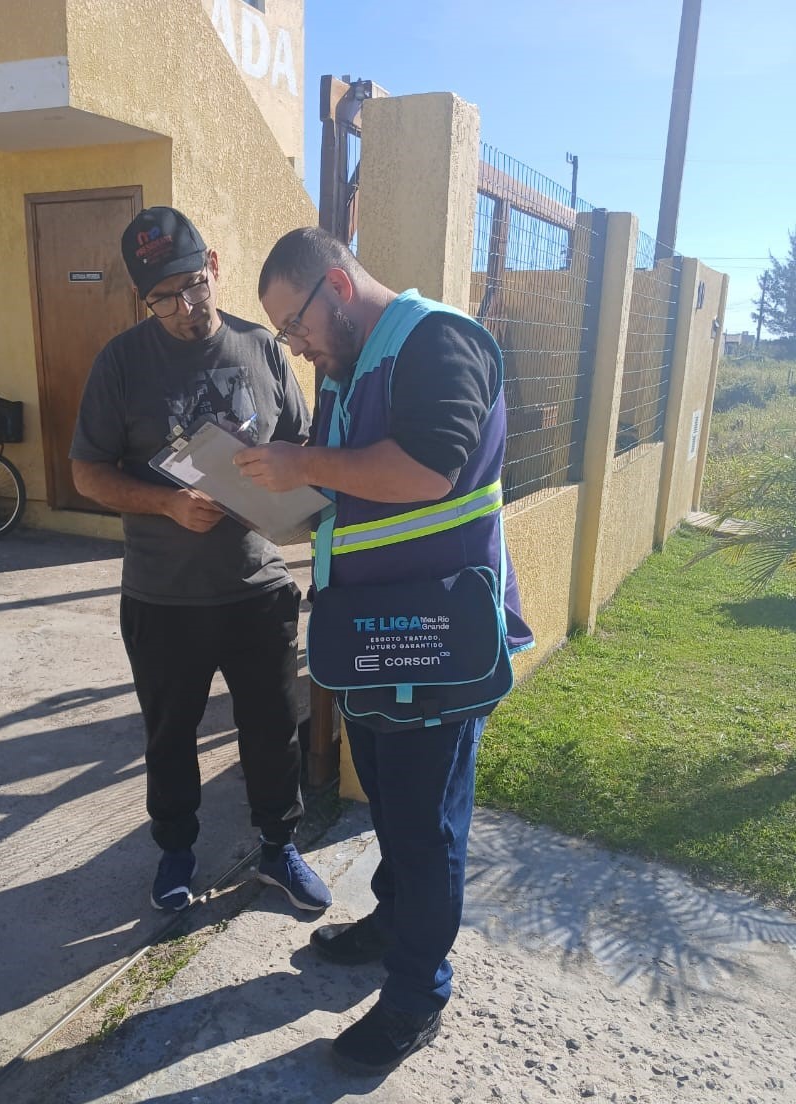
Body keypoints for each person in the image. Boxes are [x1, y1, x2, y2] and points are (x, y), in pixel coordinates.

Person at [235, 227, 533, 1076]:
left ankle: (414, 998)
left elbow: (428, 471)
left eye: (297, 326)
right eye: (288, 338)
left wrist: (304, 465)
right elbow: (345, 484)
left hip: (437, 638)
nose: (298, 347)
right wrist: (272, 485)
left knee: (425, 823)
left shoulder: (441, 340)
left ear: (336, 284)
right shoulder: (352, 366)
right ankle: (394, 924)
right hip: (375, 639)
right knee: (395, 807)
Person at [69, 207, 331, 916]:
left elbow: (304, 450)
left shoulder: (264, 350)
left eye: (192, 286)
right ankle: (177, 851)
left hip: (258, 588)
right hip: (163, 596)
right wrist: (166, 505)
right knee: (170, 735)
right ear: (142, 298)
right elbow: (86, 472)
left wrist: (283, 494)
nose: (184, 309)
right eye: (164, 297)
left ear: (214, 265)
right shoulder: (122, 364)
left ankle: (278, 848)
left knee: (274, 730)